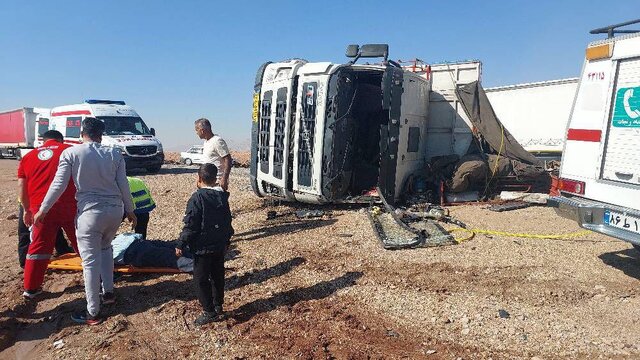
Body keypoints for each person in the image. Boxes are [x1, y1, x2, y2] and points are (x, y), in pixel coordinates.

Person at [35, 117, 136, 325]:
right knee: (106, 248)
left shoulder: (71, 153)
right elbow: (124, 184)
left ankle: (93, 312)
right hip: (115, 211)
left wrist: (43, 210)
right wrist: (131, 210)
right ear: (101, 134)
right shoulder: (114, 153)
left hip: (90, 213)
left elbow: (58, 185)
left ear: (82, 133)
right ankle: (108, 293)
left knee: (90, 262)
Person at [17, 130, 78, 299]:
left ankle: (30, 289)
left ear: (42, 141)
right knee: (83, 244)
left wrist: (27, 210)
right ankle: (100, 282)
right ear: (61, 140)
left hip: (40, 210)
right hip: (70, 206)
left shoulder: (28, 157)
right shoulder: (70, 150)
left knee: (38, 248)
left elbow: (22, 187)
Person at [175, 164, 233, 326]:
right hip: (219, 246)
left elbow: (191, 224)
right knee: (217, 276)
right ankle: (217, 304)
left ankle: (209, 311)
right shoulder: (222, 197)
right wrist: (227, 240)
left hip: (202, 248)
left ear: (199, 179)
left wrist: (181, 243)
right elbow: (227, 221)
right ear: (215, 179)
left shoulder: (197, 198)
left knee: (201, 279)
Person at [18, 202, 74, 269]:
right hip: (33, 200)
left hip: (46, 198)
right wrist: (26, 208)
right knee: (28, 229)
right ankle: (26, 262)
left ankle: (63, 250)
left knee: (53, 223)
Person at [111, 233, 193, 272]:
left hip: (133, 248)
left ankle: (200, 265)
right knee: (170, 252)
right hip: (133, 246)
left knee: (170, 254)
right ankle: (200, 264)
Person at [194, 118, 232, 191]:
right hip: (206, 183)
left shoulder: (217, 141)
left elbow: (228, 159)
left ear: (202, 130)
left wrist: (224, 178)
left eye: (197, 130)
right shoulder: (206, 142)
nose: (196, 133)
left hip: (217, 183)